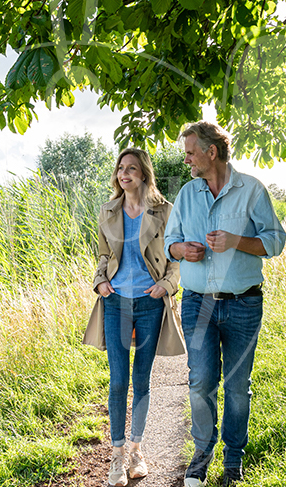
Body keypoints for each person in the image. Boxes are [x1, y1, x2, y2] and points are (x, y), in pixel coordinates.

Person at [163, 122, 286, 487]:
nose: (186, 159)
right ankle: (202, 454)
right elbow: (170, 242)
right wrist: (181, 250)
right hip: (197, 303)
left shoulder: (251, 190)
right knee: (200, 381)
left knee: (236, 386)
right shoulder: (187, 194)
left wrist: (235, 240)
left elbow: (275, 242)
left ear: (211, 152)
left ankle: (233, 460)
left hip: (243, 305)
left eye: (190, 152)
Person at [82, 147, 185, 487]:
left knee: (141, 381)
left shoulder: (165, 211)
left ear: (144, 174)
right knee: (117, 380)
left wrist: (166, 286)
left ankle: (137, 451)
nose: (124, 174)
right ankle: (116, 455)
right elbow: (102, 254)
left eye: (132, 168)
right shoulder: (108, 211)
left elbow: (174, 260)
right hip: (115, 304)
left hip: (149, 303)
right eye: (121, 168)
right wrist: (99, 281)